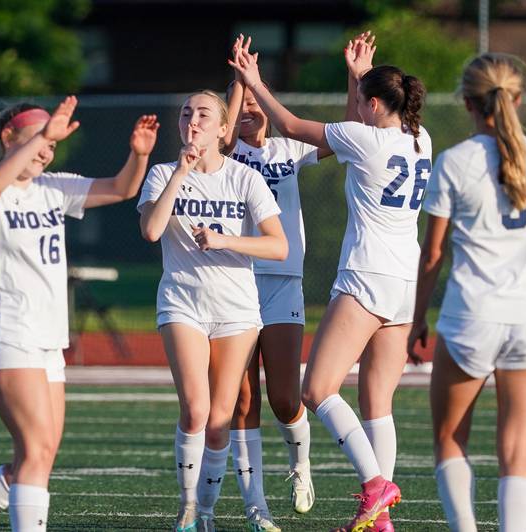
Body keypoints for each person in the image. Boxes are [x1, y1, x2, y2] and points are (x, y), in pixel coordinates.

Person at [0, 96, 159, 531]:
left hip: (48, 341)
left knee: (37, 457)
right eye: (42, 136)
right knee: (35, 450)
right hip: (8, 331)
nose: (49, 147)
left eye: (55, 140)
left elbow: (122, 189)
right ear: (10, 138)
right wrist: (46, 132)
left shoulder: (53, 188)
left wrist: (138, 155)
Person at [230, 32, 430, 531]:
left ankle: (375, 486)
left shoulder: (368, 137)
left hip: (367, 273)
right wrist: (356, 77)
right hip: (404, 278)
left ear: (376, 104)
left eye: (363, 100)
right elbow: (353, 125)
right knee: (376, 402)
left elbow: (295, 126)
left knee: (316, 389)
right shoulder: (419, 137)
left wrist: (255, 82)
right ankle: (380, 520)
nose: (357, 107)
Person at [407, 54, 526, 531]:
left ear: (467, 103)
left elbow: (433, 254)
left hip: (471, 317)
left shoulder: (455, 161)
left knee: (449, 440)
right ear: (517, 99)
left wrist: (418, 319)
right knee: (517, 450)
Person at [138, 89, 287, 532]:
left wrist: (225, 240)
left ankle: (205, 511)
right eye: (186, 113)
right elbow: (150, 230)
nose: (193, 120)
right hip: (182, 302)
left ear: (223, 129)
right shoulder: (164, 172)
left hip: (237, 310)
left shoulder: (244, 178)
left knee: (221, 422)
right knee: (196, 411)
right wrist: (181, 172)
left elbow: (278, 246)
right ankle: (186, 508)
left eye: (204, 114)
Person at [222, 34, 332, 530]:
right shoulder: (224, 157)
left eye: (254, 102)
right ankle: (255, 506)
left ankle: (300, 465)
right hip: (236, 283)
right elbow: (220, 135)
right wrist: (236, 86)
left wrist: (258, 85)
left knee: (286, 399)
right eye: (241, 104)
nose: (248, 110)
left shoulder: (289, 147)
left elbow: (340, 136)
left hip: (283, 282)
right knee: (242, 401)